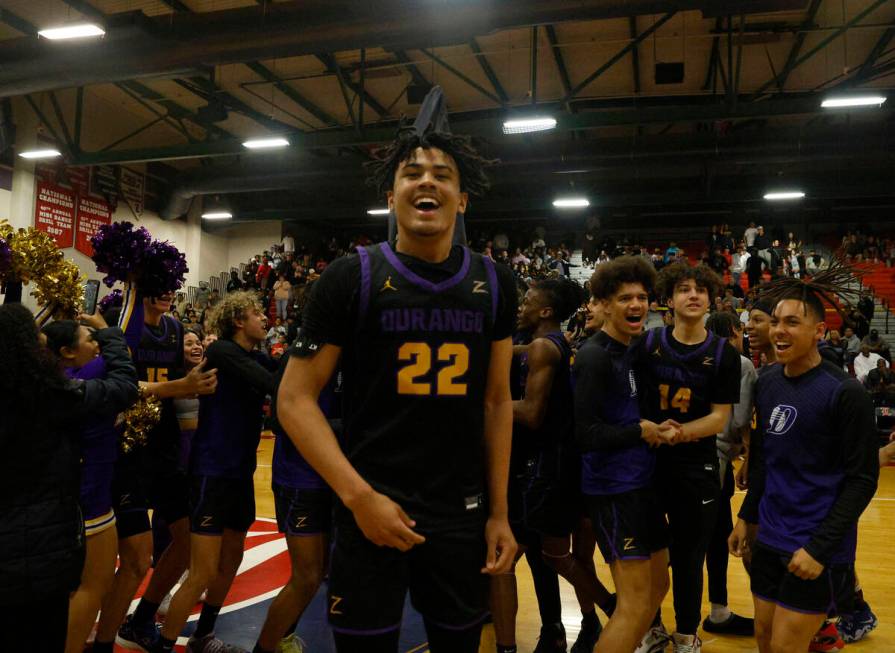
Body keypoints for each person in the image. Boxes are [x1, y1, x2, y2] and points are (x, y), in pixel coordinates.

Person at [276, 86, 518, 652]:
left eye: (442, 174)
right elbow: (293, 400)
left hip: (461, 514)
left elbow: (497, 401)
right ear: (392, 196)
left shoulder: (495, 282)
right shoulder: (347, 277)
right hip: (369, 508)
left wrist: (500, 513)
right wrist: (359, 499)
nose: (427, 181)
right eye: (412, 173)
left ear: (462, 201)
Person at [729, 277, 879, 653]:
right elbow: (763, 458)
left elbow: (862, 481)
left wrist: (819, 549)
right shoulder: (766, 383)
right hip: (768, 538)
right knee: (763, 640)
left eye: (792, 322)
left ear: (819, 331)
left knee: (786, 647)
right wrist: (746, 517)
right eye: (776, 321)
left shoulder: (846, 393)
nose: (779, 331)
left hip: (816, 545)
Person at [0, 303, 138, 652]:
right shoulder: (54, 392)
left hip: (25, 531)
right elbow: (125, 387)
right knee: (86, 590)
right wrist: (111, 335)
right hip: (57, 524)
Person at [94, 288, 218, 653]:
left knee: (188, 542)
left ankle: (142, 618)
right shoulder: (118, 316)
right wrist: (178, 385)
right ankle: (97, 634)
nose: (165, 290)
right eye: (156, 281)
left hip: (163, 448)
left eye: (170, 283)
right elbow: (118, 385)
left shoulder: (176, 328)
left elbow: (180, 381)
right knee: (129, 558)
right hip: (122, 450)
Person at [153, 291, 276, 653]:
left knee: (232, 560)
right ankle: (163, 644)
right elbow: (274, 383)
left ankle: (202, 635)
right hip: (211, 471)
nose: (264, 319)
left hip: (240, 472)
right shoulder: (222, 351)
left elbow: (281, 373)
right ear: (238, 321)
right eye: (257, 314)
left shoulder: (254, 356)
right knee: (203, 571)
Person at [632, 262, 741, 653]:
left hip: (696, 466)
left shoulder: (723, 354)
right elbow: (627, 402)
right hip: (647, 462)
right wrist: (647, 427)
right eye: (683, 289)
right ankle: (653, 627)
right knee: (648, 555)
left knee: (690, 555)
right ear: (669, 299)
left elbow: (719, 419)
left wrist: (676, 433)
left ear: (711, 299)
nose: (692, 295)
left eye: (700, 290)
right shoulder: (646, 345)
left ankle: (686, 633)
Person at [503, 278, 615, 653]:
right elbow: (528, 350)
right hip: (569, 459)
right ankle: (591, 624)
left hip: (549, 464)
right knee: (572, 554)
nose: (523, 303)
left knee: (550, 554)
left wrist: (485, 408)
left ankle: (616, 609)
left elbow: (532, 414)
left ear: (546, 310)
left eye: (529, 298)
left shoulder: (544, 348)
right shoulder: (552, 344)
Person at [573, 256, 671, 653]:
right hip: (613, 490)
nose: (636, 305)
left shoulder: (631, 350)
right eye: (626, 298)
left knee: (658, 587)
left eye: (643, 297)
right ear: (605, 304)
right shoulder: (594, 356)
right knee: (631, 604)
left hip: (642, 485)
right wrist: (640, 430)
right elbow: (584, 433)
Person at [41, 311, 140, 653]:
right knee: (91, 587)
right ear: (67, 351)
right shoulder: (85, 374)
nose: (95, 344)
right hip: (90, 496)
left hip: (67, 494)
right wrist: (107, 327)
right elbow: (127, 365)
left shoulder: (46, 379)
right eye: (88, 339)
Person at [254, 363, 341, 653]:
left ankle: (283, 637)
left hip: (329, 476)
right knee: (307, 576)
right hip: (300, 477)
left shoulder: (349, 353)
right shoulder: (305, 353)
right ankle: (265, 647)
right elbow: (282, 417)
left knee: (320, 571)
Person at [702, 312, 756, 637]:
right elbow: (738, 422)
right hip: (716, 460)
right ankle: (715, 613)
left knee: (700, 536)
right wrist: (747, 458)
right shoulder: (741, 363)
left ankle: (717, 611)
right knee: (711, 537)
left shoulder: (697, 356)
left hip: (686, 457)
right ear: (735, 331)